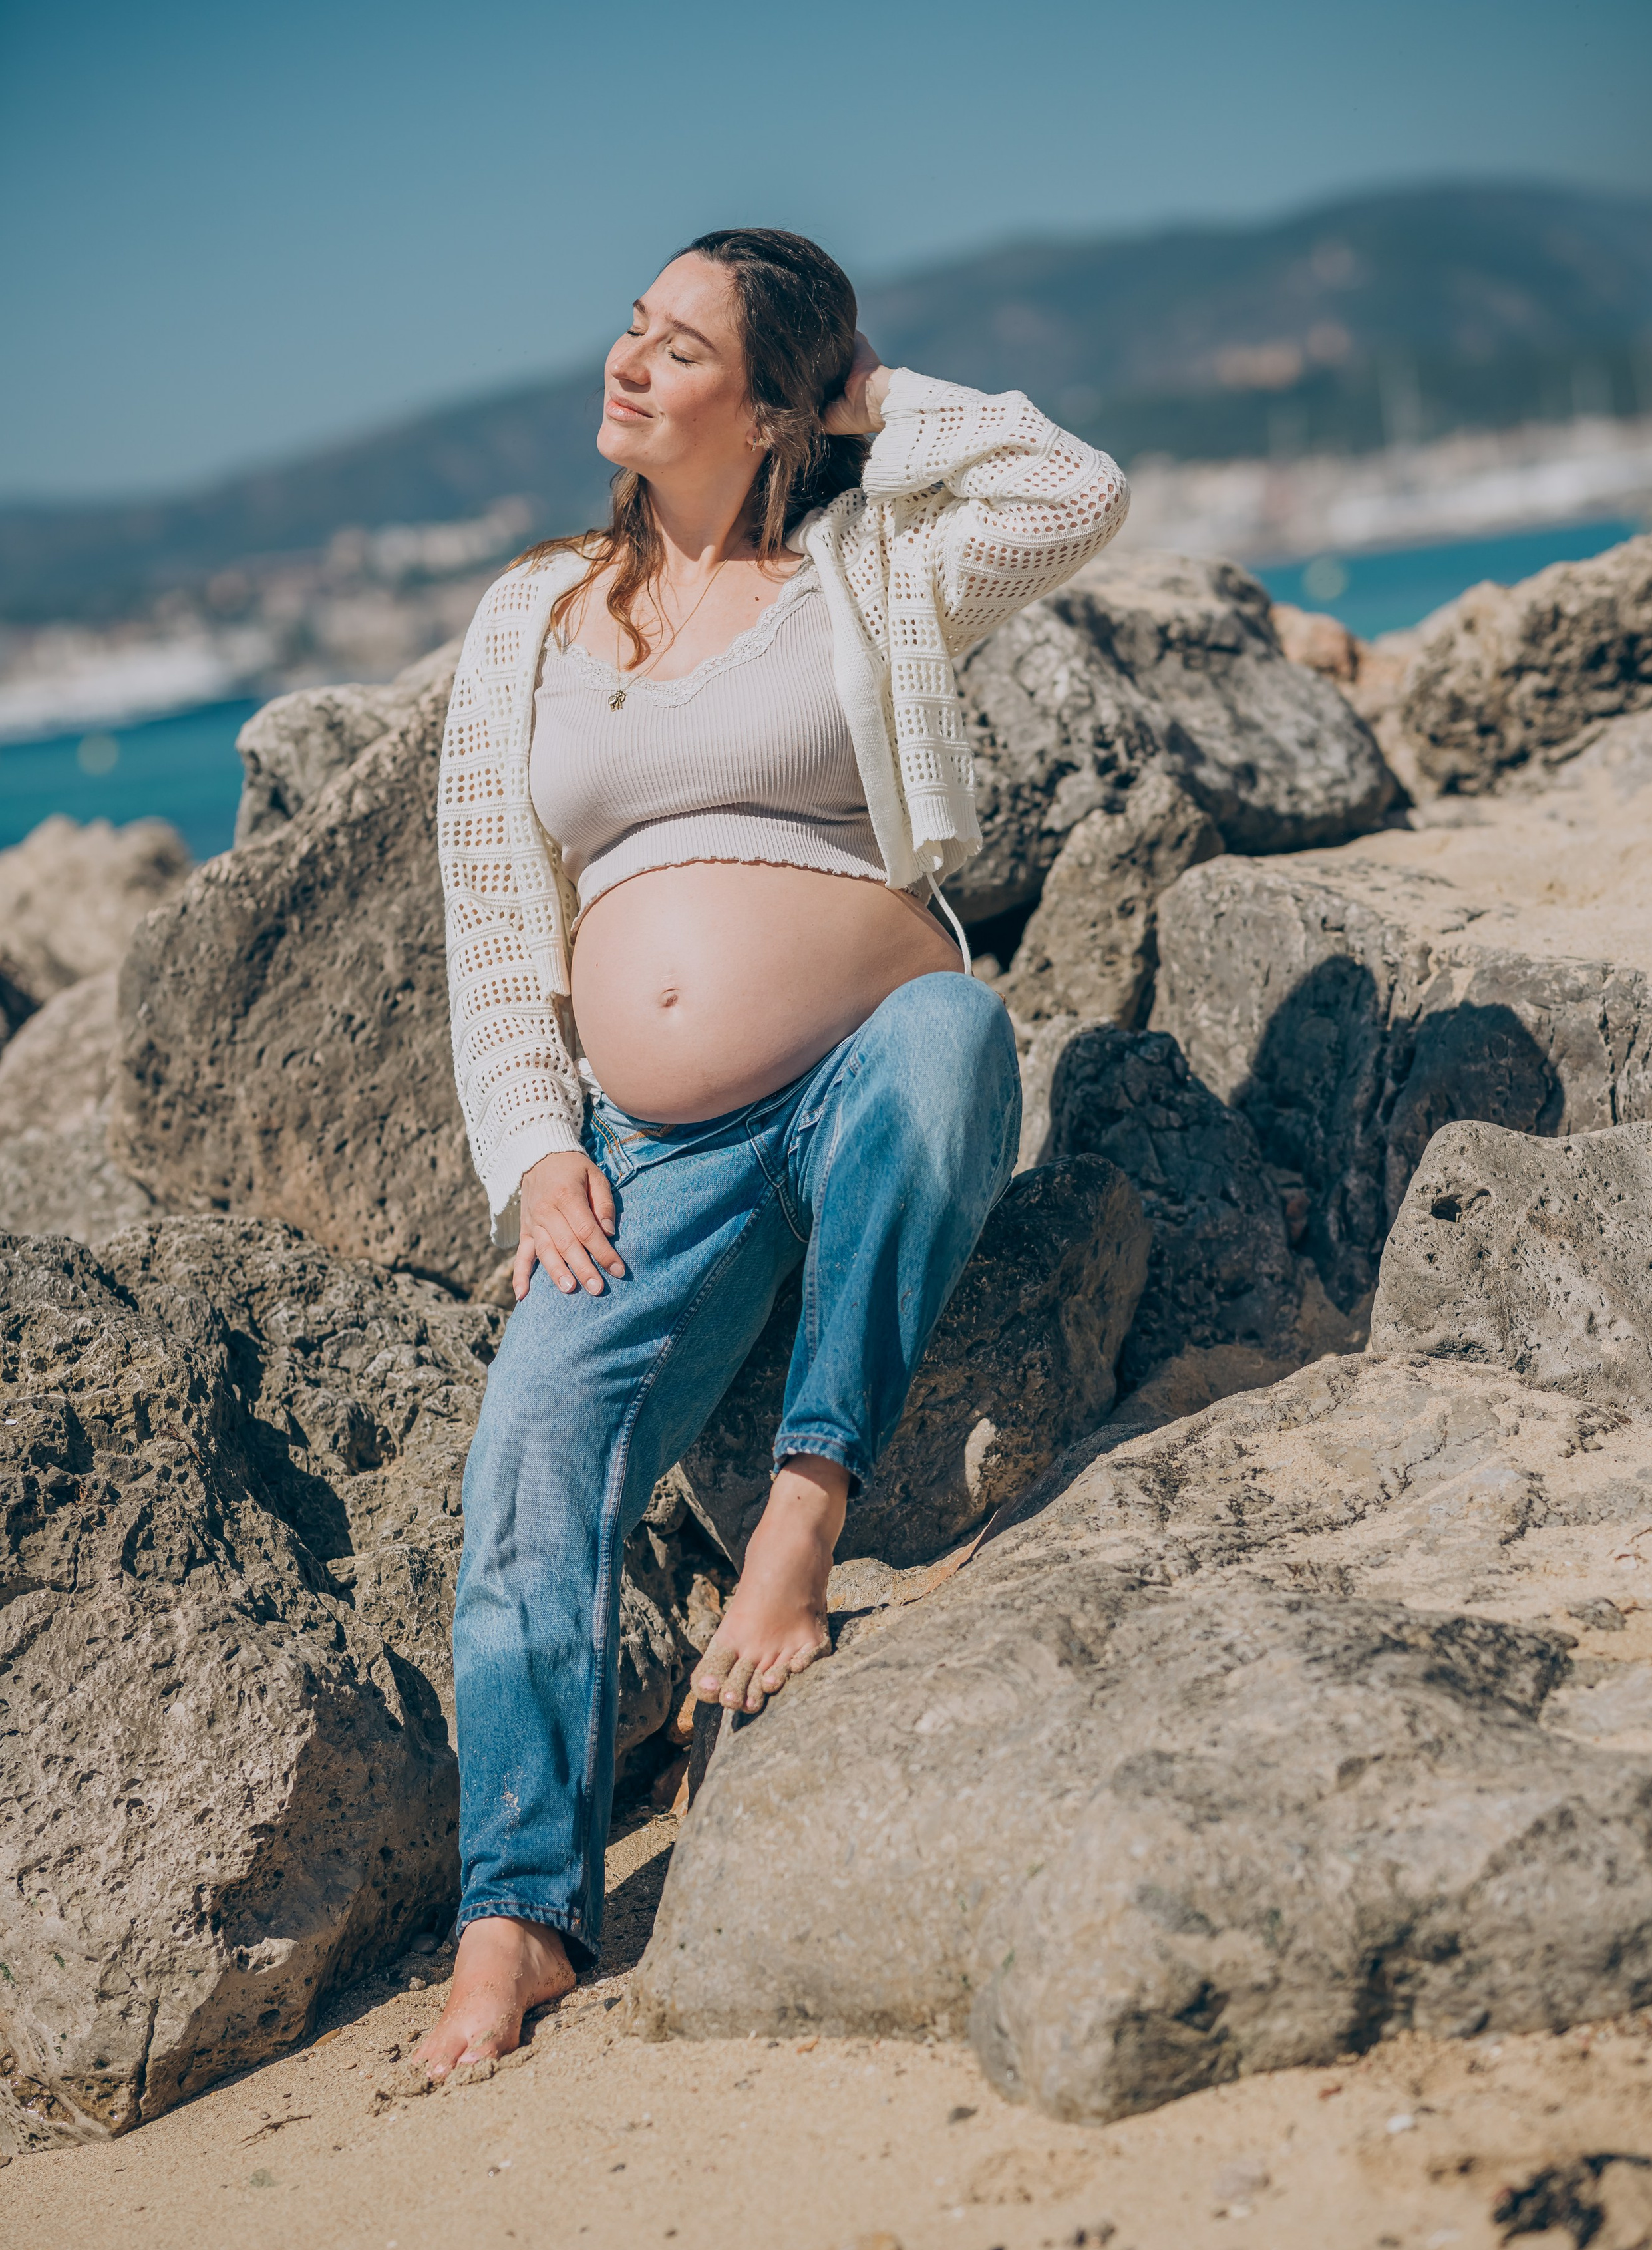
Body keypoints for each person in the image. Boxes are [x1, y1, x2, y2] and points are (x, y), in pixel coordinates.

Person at [416, 227, 1127, 2074]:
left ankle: (799, 1527)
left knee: (957, 1032)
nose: (628, 365)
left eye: (680, 348)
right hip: (647, 1152)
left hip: (873, 1069)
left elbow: (1077, 489)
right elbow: (495, 925)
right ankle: (519, 1917)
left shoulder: (868, 567)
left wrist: (873, 403)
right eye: (630, 329)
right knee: (533, 1451)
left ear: (777, 401)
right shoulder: (529, 621)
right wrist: (530, 1151)